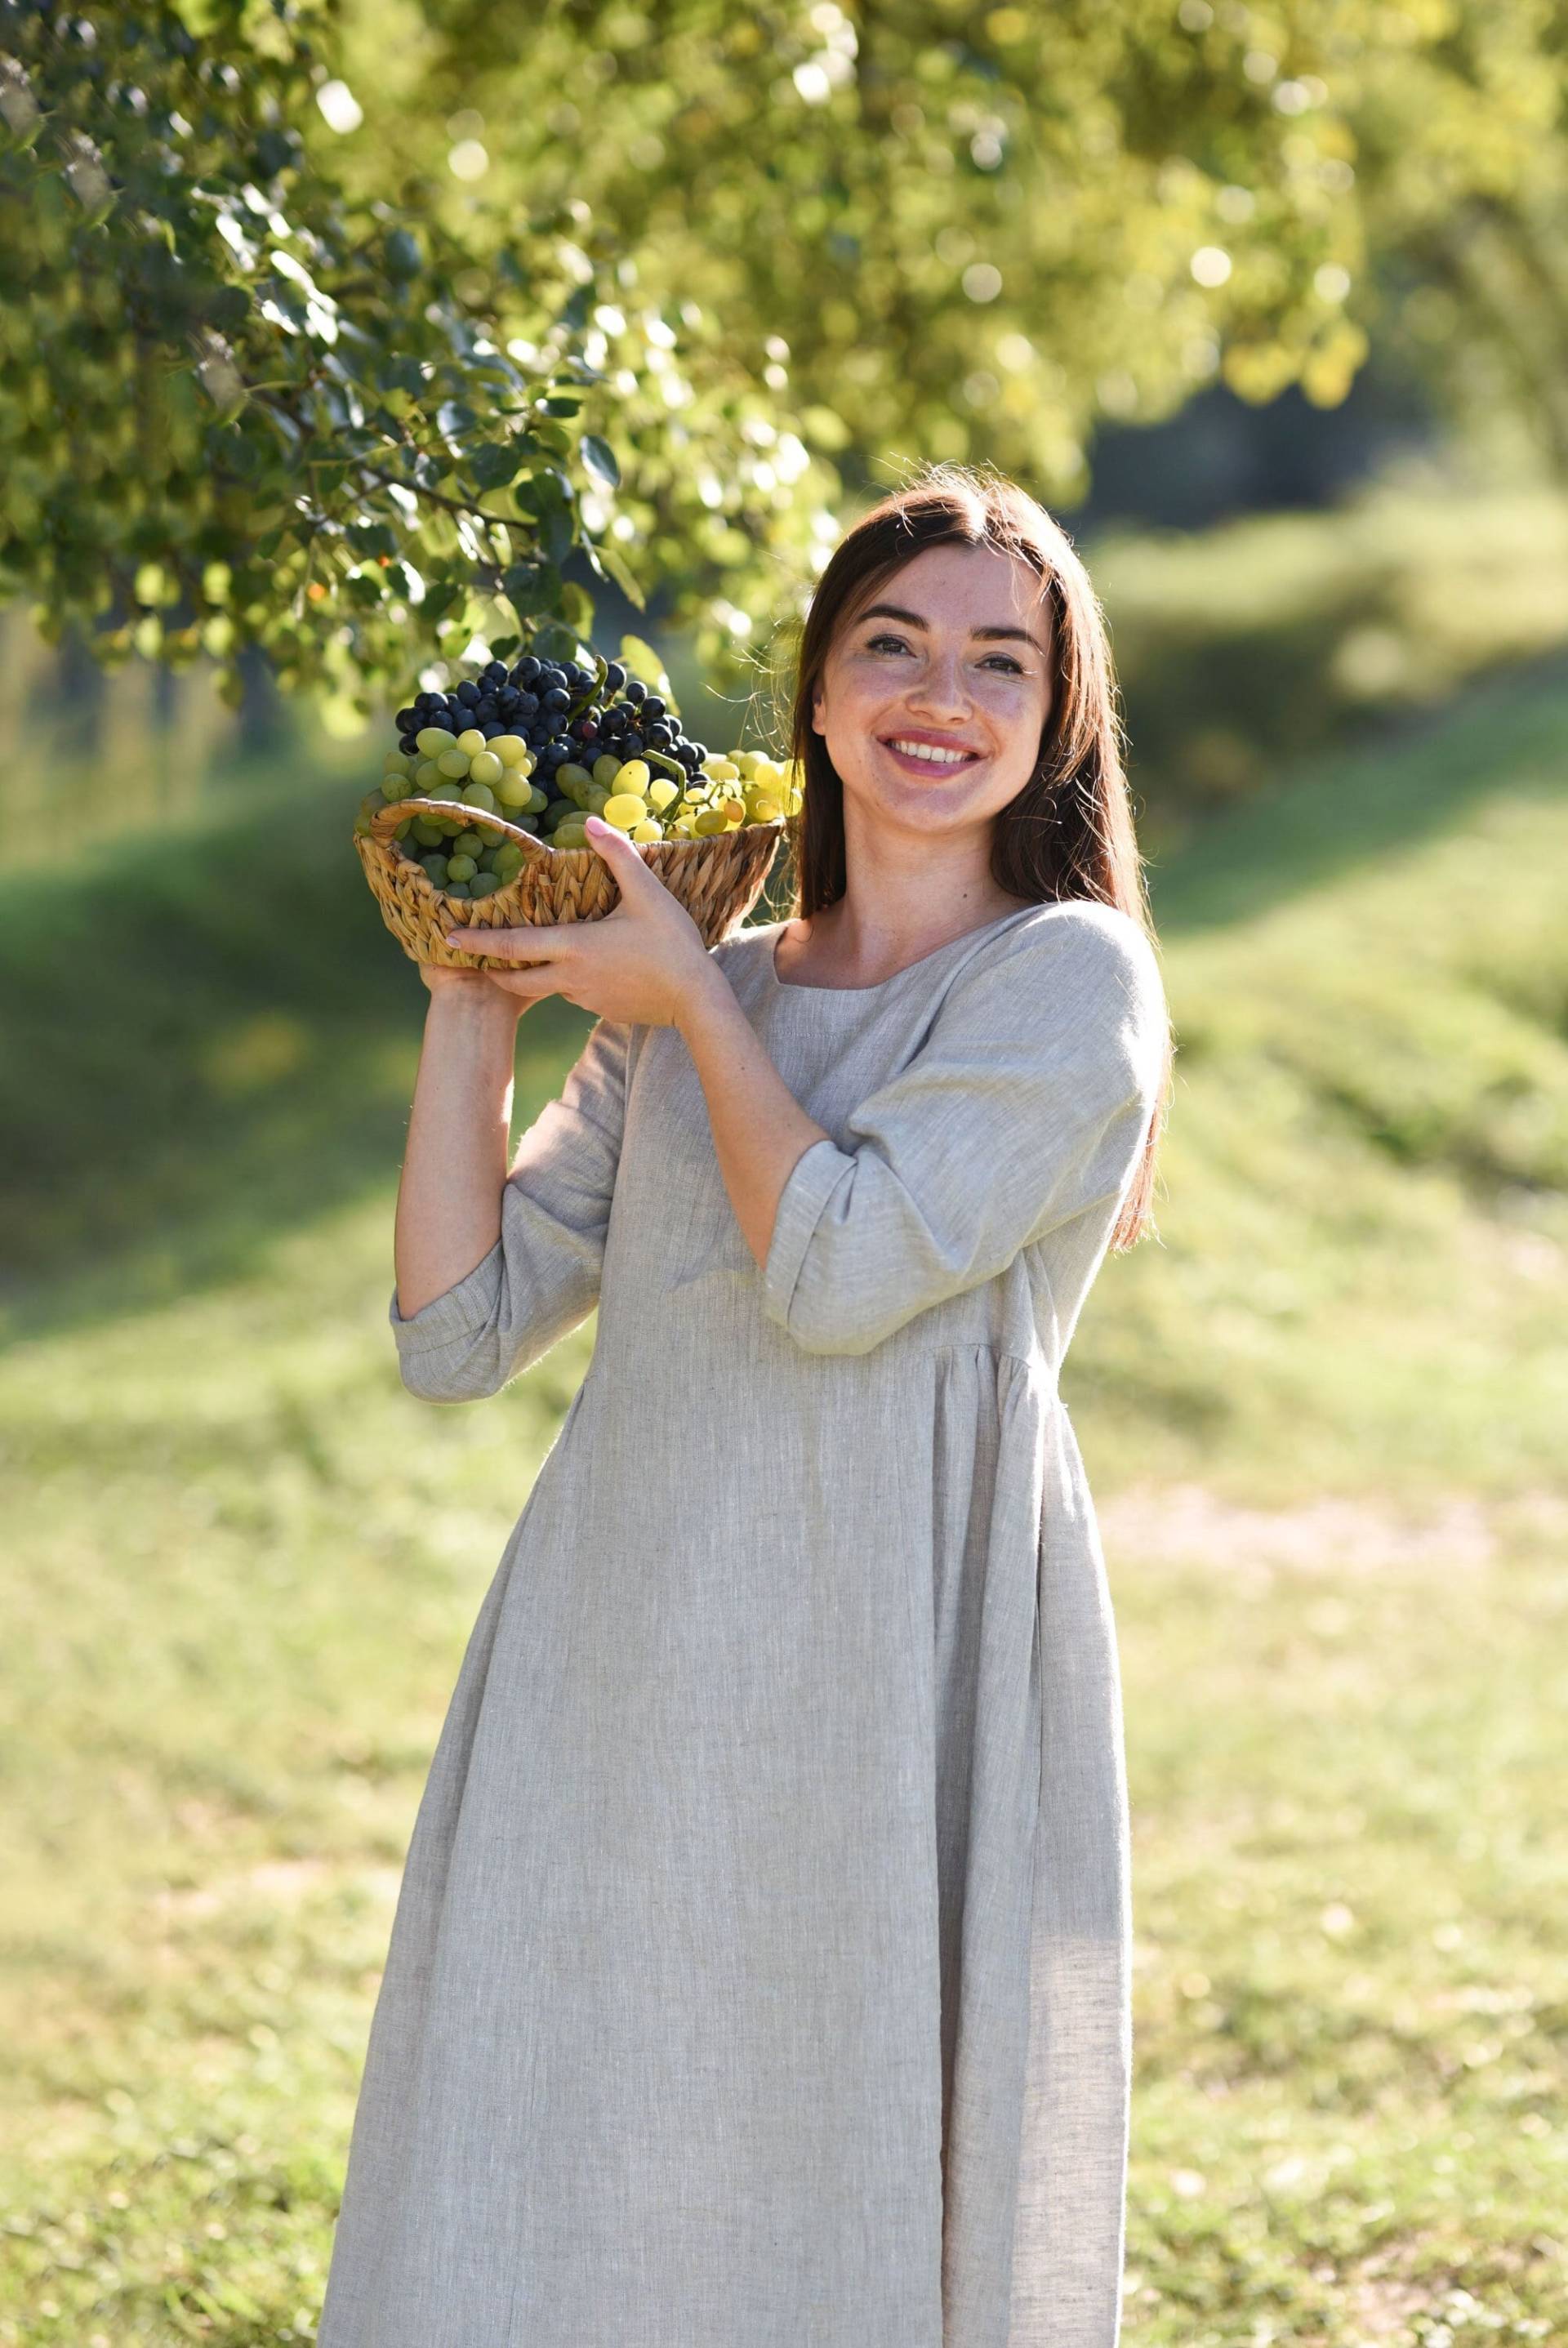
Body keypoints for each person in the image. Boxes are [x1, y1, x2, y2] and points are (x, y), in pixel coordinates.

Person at [317, 464, 1170, 2348]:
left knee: (829, 2142)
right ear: (816, 686)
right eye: (891, 643)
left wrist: (694, 1006)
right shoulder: (711, 974)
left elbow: (842, 1269)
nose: (937, 693)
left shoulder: (1070, 984)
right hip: (622, 1635)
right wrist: (485, 982)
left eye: (997, 661)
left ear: (1057, 720)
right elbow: (457, 1330)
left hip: (897, 1650)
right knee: (571, 2126)